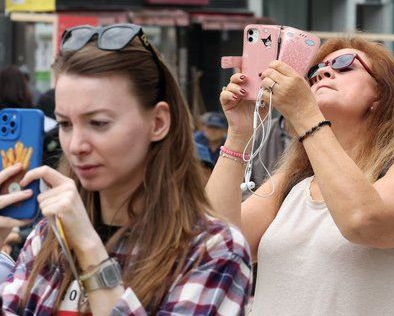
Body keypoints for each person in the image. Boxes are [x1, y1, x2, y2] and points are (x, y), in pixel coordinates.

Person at [0, 24, 251, 315]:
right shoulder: (49, 236)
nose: (76, 145)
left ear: (158, 122)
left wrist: (91, 252)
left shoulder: (212, 249)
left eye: (99, 123)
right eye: (65, 124)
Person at [207, 37, 394, 314]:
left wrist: (304, 113)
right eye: (316, 69)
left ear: (381, 95)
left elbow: (364, 222)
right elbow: (217, 243)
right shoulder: (294, 180)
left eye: (345, 65)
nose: (323, 72)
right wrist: (238, 133)